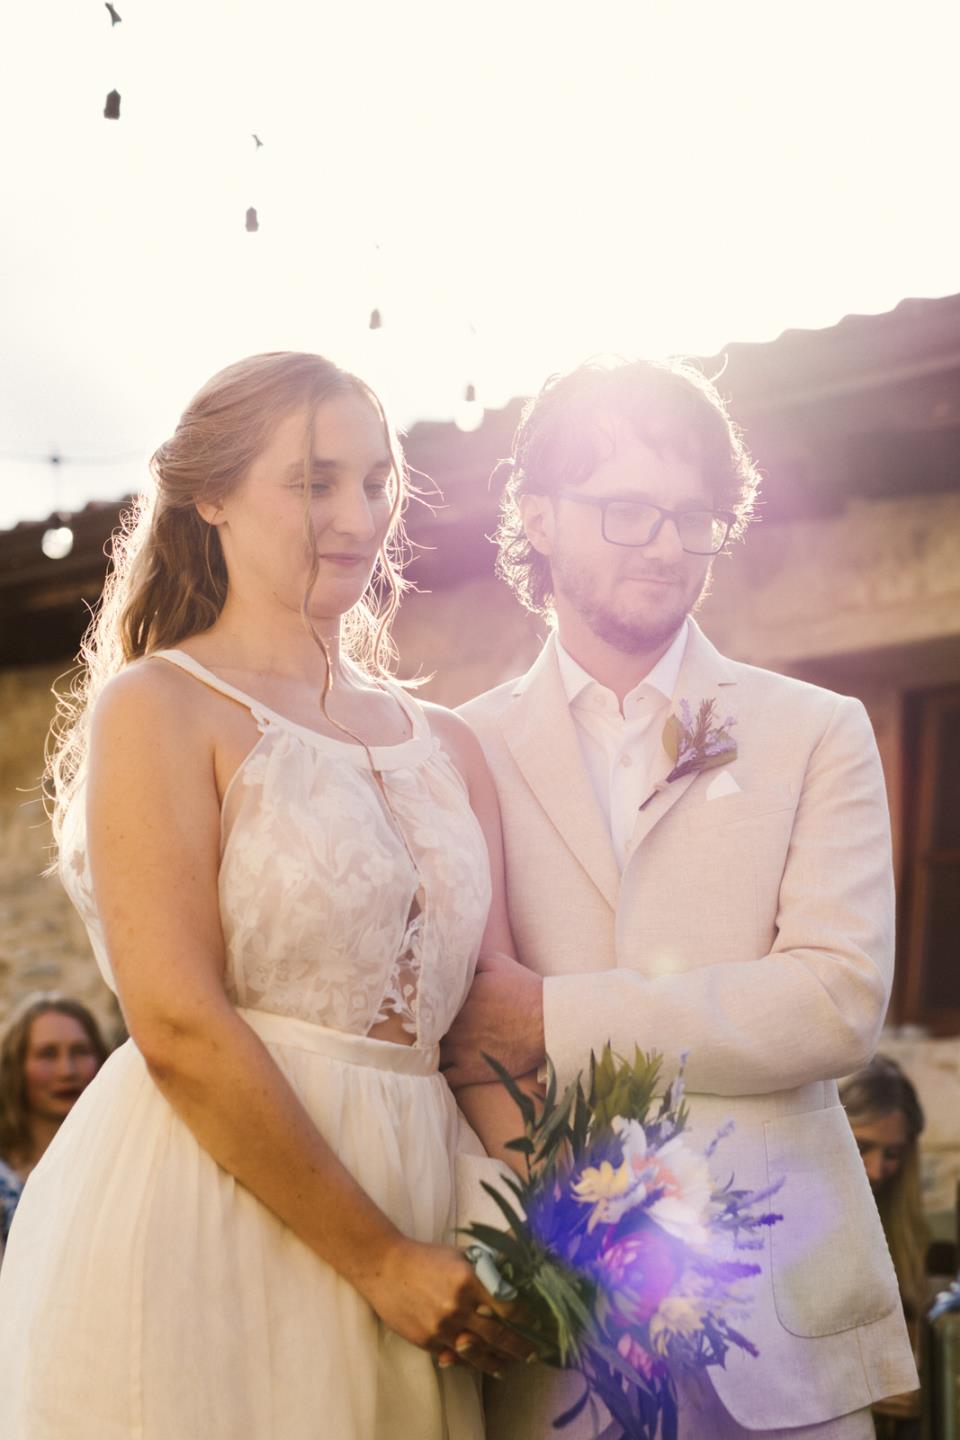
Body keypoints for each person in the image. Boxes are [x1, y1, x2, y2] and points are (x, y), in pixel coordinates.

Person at [0, 352, 529, 1439]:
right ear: (211, 494)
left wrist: (543, 1232)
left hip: (434, 1203)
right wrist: (380, 1260)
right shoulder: (160, 708)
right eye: (314, 480)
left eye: (377, 482)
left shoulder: (455, 746)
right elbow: (179, 1021)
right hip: (221, 1206)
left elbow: (488, 1022)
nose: (356, 514)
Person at [445, 357, 919, 1439]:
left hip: (778, 1327)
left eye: (693, 517)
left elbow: (838, 1001)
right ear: (538, 516)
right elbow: (455, 1026)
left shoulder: (817, 730)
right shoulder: (455, 748)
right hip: (548, 1324)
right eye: (626, 511)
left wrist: (555, 1017)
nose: (666, 545)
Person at [841, 1056, 929, 1438]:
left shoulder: (901, 1227)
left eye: (893, 1154)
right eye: (862, 1147)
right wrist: (862, 1395)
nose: (877, 1170)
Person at [0, 993, 108, 1257]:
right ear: (16, 1066)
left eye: (80, 1051)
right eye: (47, 1054)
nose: (67, 1071)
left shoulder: (121, 1160)